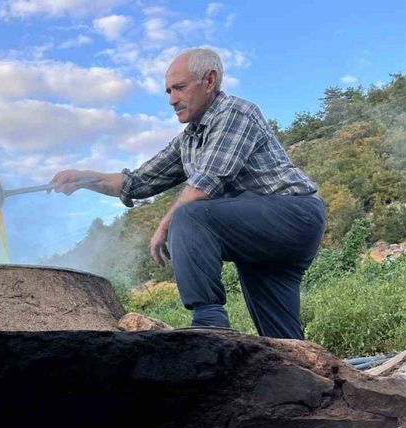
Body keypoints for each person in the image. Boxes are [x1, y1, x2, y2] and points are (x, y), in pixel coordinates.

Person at [50, 47, 325, 340]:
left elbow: (206, 184)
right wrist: (83, 179)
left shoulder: (236, 112)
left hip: (294, 217)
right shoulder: (189, 139)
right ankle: (307, 374)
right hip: (259, 239)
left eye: (179, 88)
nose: (172, 99)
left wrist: (166, 225)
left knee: (191, 215)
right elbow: (138, 182)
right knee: (282, 339)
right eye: (168, 91)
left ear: (209, 80)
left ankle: (209, 324)